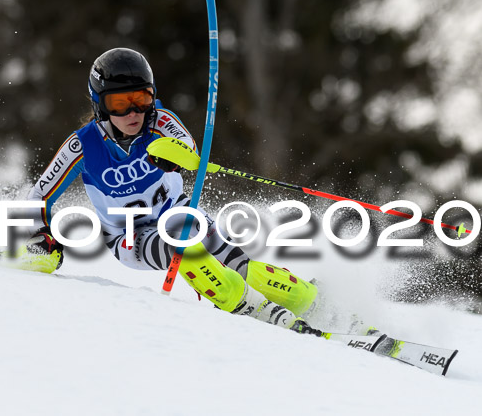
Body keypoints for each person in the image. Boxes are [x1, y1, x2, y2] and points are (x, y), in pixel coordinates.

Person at [19, 47, 322, 335]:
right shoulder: (82, 146)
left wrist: (173, 154)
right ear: (100, 105)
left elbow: (188, 147)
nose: (134, 112)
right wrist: (40, 235)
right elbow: (38, 197)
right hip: (129, 237)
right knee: (187, 251)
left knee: (240, 266)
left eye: (142, 98)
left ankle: (313, 301)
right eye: (120, 104)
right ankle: (253, 310)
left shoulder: (159, 120)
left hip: (179, 212)